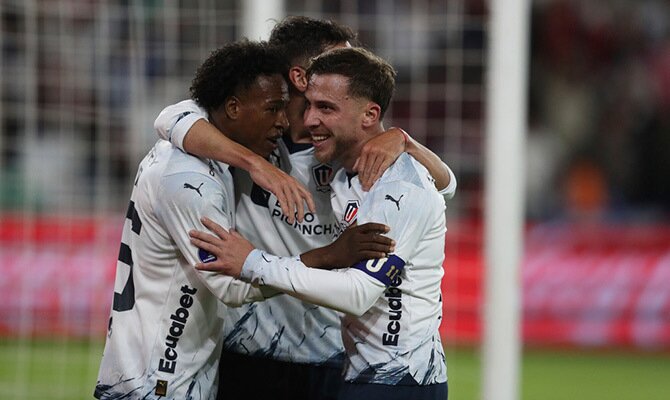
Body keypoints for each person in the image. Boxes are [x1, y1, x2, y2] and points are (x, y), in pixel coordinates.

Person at [153, 17, 455, 400]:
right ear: (301, 76)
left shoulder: (354, 143)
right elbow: (170, 118)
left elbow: (443, 187)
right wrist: (254, 164)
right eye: (338, 59)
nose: (352, 65)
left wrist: (406, 141)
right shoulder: (253, 130)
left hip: (333, 354)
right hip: (253, 349)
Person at [94, 40, 393, 400]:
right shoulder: (191, 183)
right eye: (273, 109)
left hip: (189, 368)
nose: (282, 122)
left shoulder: (209, 151)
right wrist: (330, 255)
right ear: (233, 108)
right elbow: (232, 286)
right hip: (159, 377)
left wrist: (402, 140)